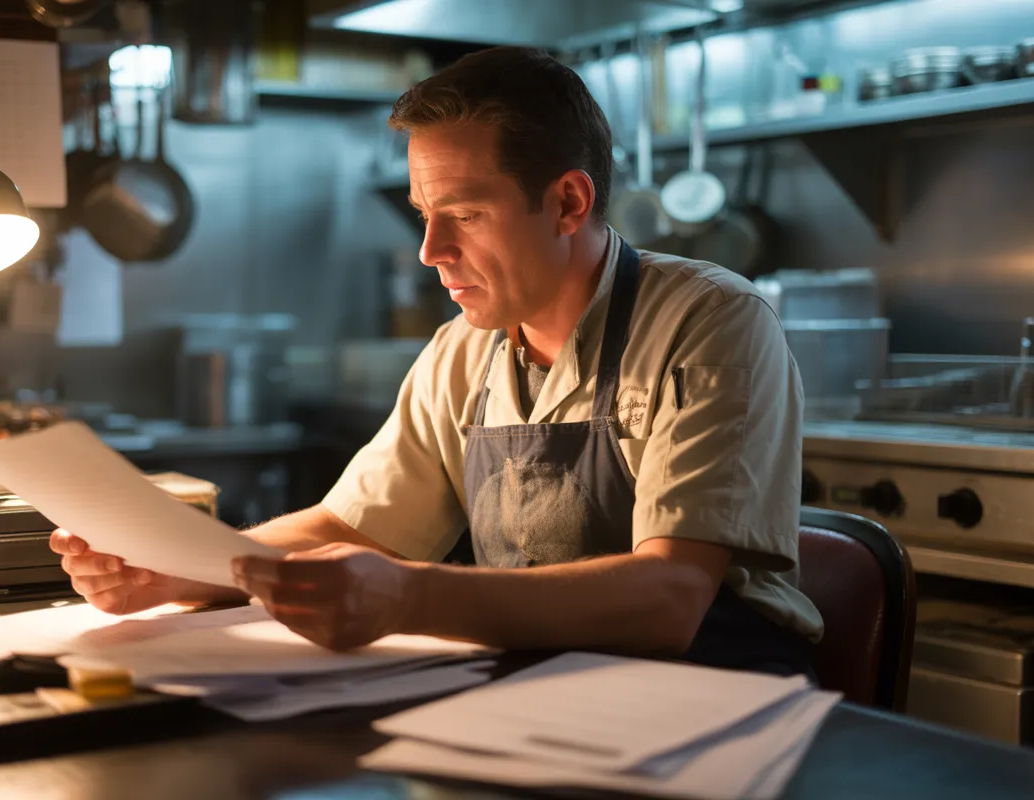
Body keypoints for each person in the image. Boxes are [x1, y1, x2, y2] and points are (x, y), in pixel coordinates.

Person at [51, 47, 823, 676]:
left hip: (717, 696)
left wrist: (412, 597)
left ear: (567, 203)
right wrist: (186, 573)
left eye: (465, 215)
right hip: (543, 687)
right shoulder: (465, 348)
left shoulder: (710, 319)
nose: (431, 252)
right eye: (425, 216)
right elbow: (352, 527)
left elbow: (670, 598)